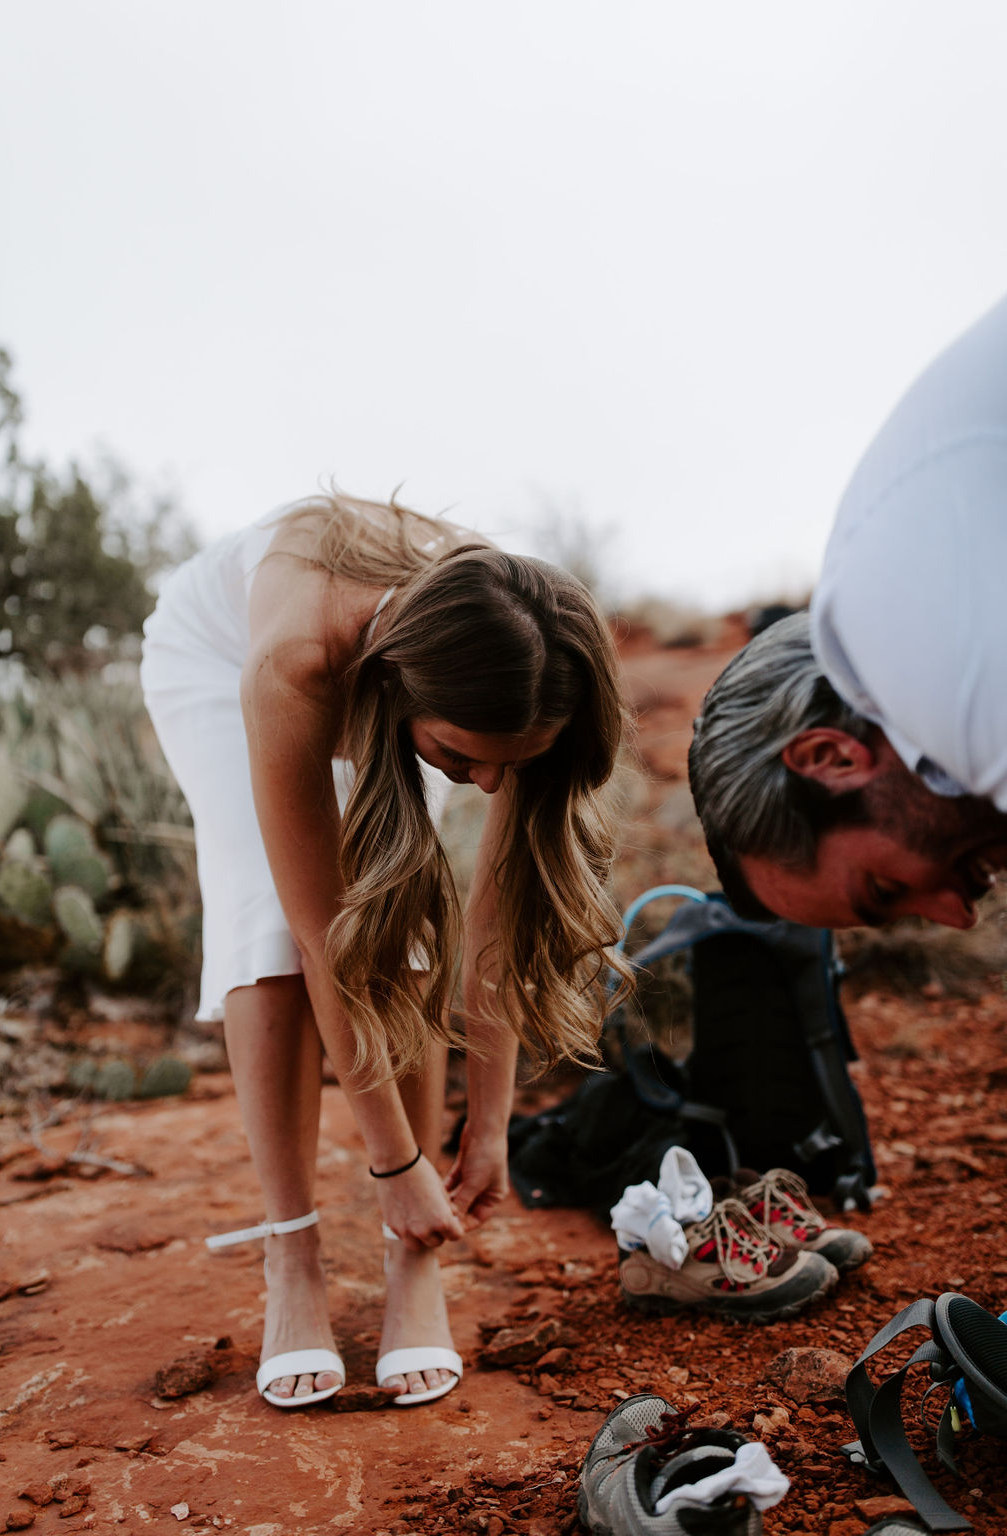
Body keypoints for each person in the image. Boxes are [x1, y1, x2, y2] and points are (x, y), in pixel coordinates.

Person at [140, 490, 630, 1409]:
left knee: (404, 923)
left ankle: (415, 1260)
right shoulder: (296, 661)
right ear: (405, 694)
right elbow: (329, 944)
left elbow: (496, 927)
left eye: (508, 767)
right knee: (269, 923)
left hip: (400, 682)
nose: (487, 785)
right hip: (220, 660)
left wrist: (487, 1130)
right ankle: (292, 1253)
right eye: (463, 761)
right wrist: (398, 1166)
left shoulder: (517, 667)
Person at [689, 294, 1007, 930]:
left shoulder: (941, 658)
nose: (958, 917)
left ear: (832, 758)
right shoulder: (902, 589)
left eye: (884, 888)